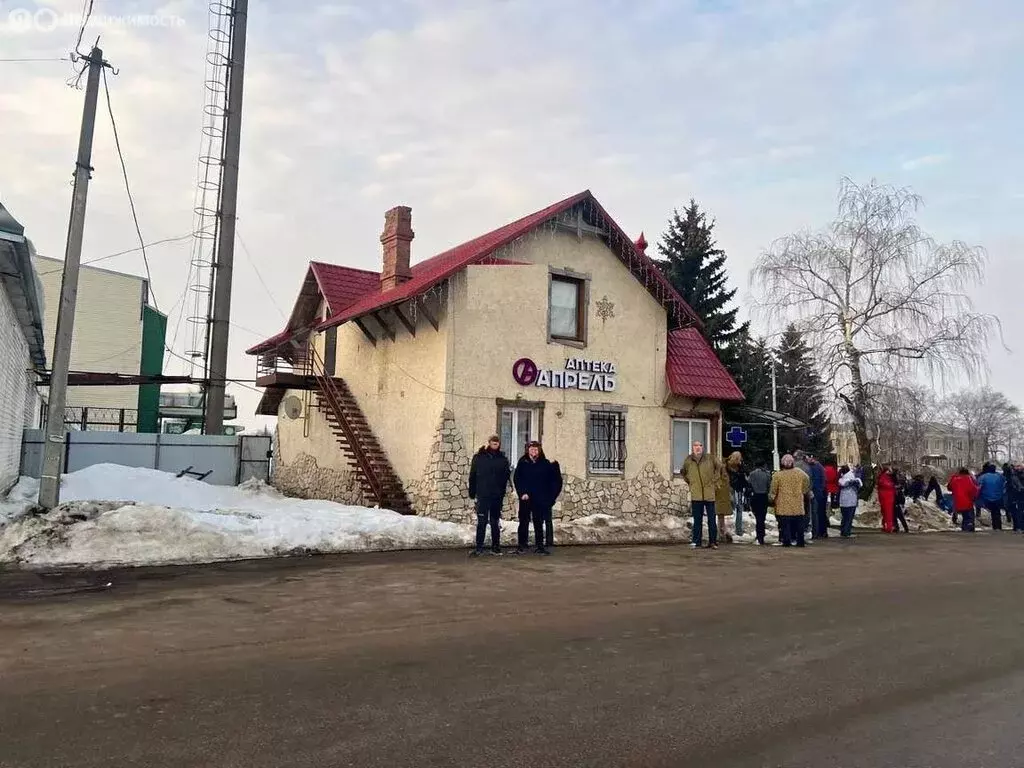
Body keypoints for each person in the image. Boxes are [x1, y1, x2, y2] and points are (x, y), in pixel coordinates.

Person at [512, 441, 562, 555]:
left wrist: (549, 497)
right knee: (523, 521)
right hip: (525, 498)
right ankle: (522, 545)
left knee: (538, 522)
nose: (533, 451)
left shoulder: (544, 464)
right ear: (528, 450)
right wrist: (522, 492)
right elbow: (517, 479)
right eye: (531, 449)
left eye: (535, 449)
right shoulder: (523, 462)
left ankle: (540, 546)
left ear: (539, 451)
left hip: (540, 498)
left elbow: (552, 481)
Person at [468, 435, 511, 556]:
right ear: (489, 443)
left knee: (494, 521)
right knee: (481, 521)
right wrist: (472, 492)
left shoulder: (502, 459)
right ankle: (479, 547)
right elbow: (473, 475)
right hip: (483, 494)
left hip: (497, 496)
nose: (495, 444)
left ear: (499, 444)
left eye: (497, 443)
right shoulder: (479, 458)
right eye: (493, 442)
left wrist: (502, 492)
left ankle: (496, 547)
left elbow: (506, 477)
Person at [682, 441, 721, 549]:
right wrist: (691, 482)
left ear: (703, 448)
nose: (698, 448)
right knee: (697, 519)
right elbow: (684, 472)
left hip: (709, 494)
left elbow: (719, 468)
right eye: (695, 446)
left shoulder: (710, 458)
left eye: (700, 445)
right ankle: (696, 541)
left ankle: (713, 541)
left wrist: (714, 480)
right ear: (692, 448)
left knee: (711, 519)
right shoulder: (689, 460)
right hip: (696, 494)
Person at [770, 454, 811, 547]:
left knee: (785, 525)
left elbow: (773, 489)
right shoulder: (800, 473)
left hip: (783, 504)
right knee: (799, 525)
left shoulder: (778, 475)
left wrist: (772, 497)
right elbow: (807, 480)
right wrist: (803, 490)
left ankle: (786, 541)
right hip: (797, 504)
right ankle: (800, 541)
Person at [747, 461, 772, 546]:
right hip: (763, 496)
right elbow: (769, 486)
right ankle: (761, 534)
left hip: (755, 496)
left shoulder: (752, 474)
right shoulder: (767, 474)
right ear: (764, 465)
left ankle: (759, 535)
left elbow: (749, 483)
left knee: (758, 517)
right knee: (762, 516)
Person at [976, 462, 1006, 531]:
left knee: (993, 511)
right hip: (998, 497)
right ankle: (998, 527)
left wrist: (977, 497)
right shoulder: (1000, 476)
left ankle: (995, 526)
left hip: (987, 498)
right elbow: (1004, 485)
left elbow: (978, 487)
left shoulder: (983, 477)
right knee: (996, 512)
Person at [948, 467, 979, 532]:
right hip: (967, 503)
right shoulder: (969, 479)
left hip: (957, 503)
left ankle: (964, 528)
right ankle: (968, 530)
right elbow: (974, 490)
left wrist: (954, 476)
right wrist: (973, 499)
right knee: (969, 517)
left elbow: (949, 487)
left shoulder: (955, 479)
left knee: (964, 516)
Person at [838, 464, 862, 538]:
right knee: (849, 517)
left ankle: (843, 531)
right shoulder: (853, 478)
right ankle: (846, 532)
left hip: (843, 501)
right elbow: (860, 484)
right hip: (851, 501)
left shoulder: (842, 479)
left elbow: (842, 483)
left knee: (844, 517)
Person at [808, 455, 829, 540]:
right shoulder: (819, 466)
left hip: (815, 492)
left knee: (815, 513)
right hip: (820, 493)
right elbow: (823, 479)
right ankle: (822, 531)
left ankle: (817, 532)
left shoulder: (811, 467)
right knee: (820, 513)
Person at [726, 451, 747, 538]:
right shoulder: (739, 467)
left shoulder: (727, 466)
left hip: (731, 489)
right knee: (739, 509)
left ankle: (729, 528)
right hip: (737, 489)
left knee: (735, 509)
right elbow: (743, 478)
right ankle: (738, 529)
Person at [877, 466, 896, 533]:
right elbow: (888, 485)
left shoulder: (884, 477)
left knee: (886, 512)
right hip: (887, 497)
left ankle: (886, 526)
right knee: (888, 513)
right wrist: (893, 485)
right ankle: (888, 527)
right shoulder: (885, 478)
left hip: (886, 497)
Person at [892, 469, 910, 533]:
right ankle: (897, 528)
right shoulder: (895, 491)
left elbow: (902, 499)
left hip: (897, 505)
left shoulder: (899, 492)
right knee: (894, 517)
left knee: (900, 517)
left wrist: (900, 503)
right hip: (894, 504)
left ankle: (905, 528)